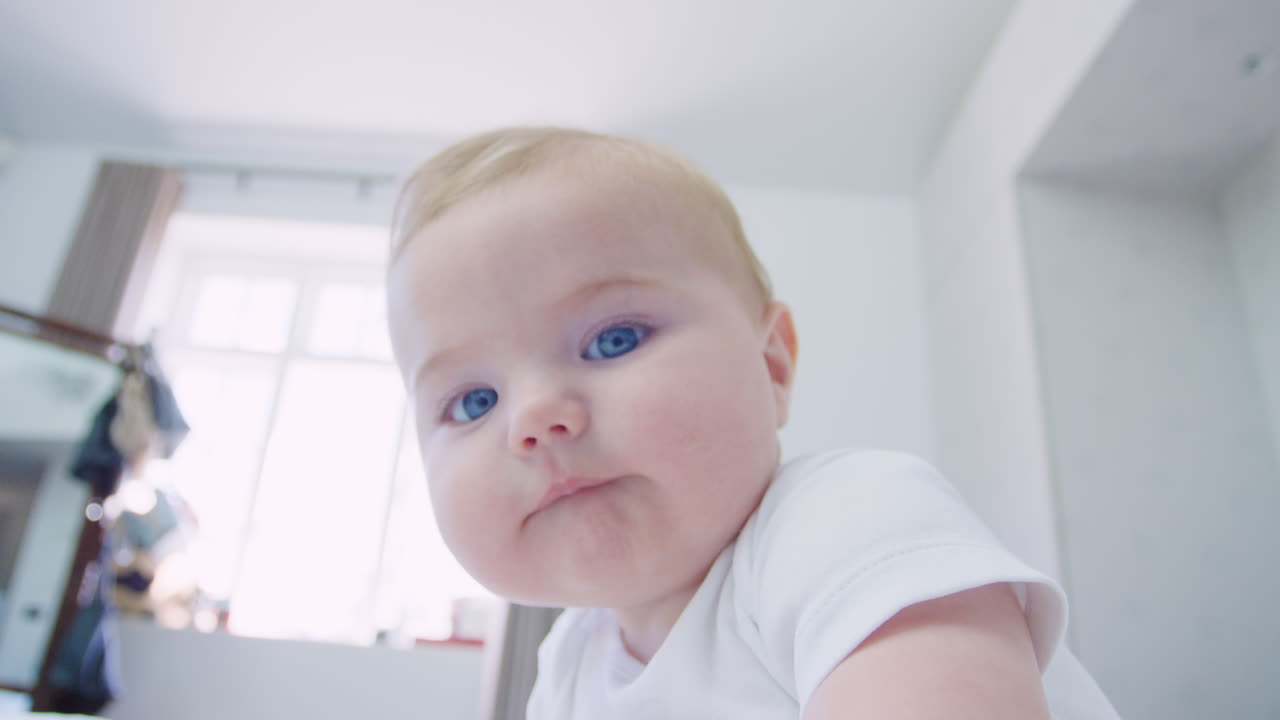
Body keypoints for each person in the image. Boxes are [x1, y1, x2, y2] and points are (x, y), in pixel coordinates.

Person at [385, 127, 1120, 718]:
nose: (535, 417)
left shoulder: (846, 523)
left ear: (771, 366)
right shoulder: (569, 666)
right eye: (473, 401)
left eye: (613, 340)